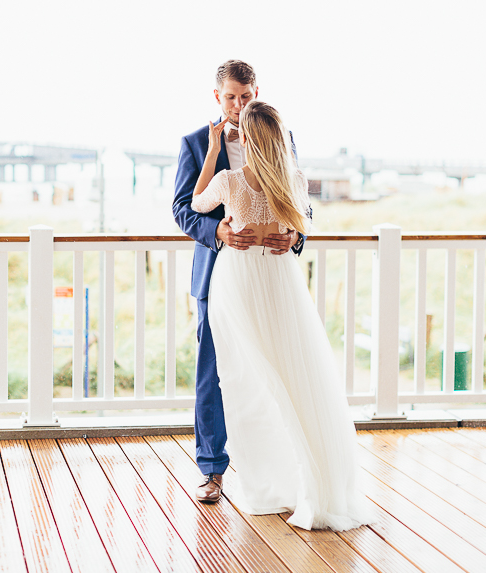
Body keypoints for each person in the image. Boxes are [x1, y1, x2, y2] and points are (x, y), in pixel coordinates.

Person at [190, 101, 373, 531]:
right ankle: (300, 482)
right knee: (294, 375)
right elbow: (302, 223)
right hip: (280, 282)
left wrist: (215, 150)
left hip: (239, 284)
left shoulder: (229, 179)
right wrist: (290, 232)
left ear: (248, 138)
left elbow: (198, 204)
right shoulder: (294, 178)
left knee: (246, 384)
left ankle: (266, 488)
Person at [172, 60, 304, 504]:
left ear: (257, 92)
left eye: (246, 96)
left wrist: (296, 234)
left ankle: (279, 473)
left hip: (271, 278)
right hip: (219, 278)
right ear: (217, 97)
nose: (238, 105)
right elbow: (183, 209)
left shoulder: (280, 137)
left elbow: (298, 201)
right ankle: (212, 470)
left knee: (276, 370)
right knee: (213, 375)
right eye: (230, 96)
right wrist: (218, 232)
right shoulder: (196, 143)